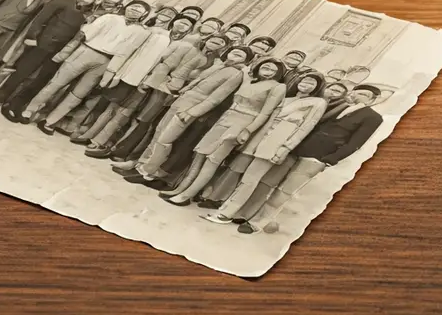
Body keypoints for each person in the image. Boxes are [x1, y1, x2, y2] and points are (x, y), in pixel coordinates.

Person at [238, 84, 385, 235]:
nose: (355, 95)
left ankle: (256, 223)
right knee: (268, 182)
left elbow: (355, 144)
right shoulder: (337, 106)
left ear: (371, 100)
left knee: (284, 191)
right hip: (297, 149)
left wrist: (329, 160)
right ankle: (247, 214)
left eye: (362, 94)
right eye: (355, 91)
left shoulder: (373, 117)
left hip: (317, 158)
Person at [114, 45, 254, 186]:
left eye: (240, 55)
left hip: (192, 106)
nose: (234, 56)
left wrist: (193, 112)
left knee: (166, 139)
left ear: (246, 61)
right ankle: (141, 163)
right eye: (233, 52)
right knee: (159, 131)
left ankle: (148, 170)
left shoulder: (236, 74)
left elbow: (216, 98)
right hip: (183, 99)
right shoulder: (219, 66)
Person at [202, 72, 327, 225]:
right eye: (305, 80)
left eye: (312, 83)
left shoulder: (317, 103)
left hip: (277, 142)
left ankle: (226, 213)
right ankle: (225, 208)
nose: (306, 84)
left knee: (251, 179)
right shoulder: (286, 98)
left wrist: (286, 148)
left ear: (317, 87)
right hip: (259, 139)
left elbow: (305, 127)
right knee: (244, 177)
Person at [158, 57, 287, 205]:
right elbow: (245, 76)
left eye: (273, 69)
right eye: (266, 66)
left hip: (243, 123)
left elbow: (265, 113)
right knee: (200, 153)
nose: (268, 70)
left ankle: (186, 195)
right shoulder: (250, 80)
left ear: (278, 73)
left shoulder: (278, 87)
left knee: (213, 159)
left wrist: (248, 130)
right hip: (226, 118)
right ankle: (180, 189)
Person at [19, 0, 151, 134]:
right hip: (86, 51)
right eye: (133, 6)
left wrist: (112, 73)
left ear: (145, 14)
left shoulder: (143, 32)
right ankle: (29, 111)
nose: (135, 10)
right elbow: (84, 34)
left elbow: (126, 52)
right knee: (56, 84)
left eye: (139, 9)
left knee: (78, 94)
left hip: (106, 62)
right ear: (126, 7)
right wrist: (66, 52)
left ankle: (50, 121)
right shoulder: (109, 17)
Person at [103, 32, 229, 162]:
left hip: (175, 93)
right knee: (137, 115)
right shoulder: (190, 49)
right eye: (214, 39)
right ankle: (114, 144)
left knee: (147, 121)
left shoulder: (215, 63)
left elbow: (199, 79)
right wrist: (152, 80)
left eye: (221, 42)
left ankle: (124, 151)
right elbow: (167, 64)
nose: (216, 43)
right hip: (160, 84)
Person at [72, 9, 188, 149]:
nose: (181, 26)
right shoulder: (154, 33)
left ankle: (100, 141)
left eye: (187, 24)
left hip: (152, 84)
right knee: (111, 106)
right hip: (132, 76)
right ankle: (89, 133)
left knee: (124, 113)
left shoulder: (185, 45)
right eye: (180, 21)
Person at [0, 0, 99, 118]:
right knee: (22, 73)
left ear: (95, 1)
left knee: (40, 80)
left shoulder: (89, 14)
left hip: (59, 51)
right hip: (41, 43)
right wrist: (31, 36)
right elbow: (41, 18)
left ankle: (13, 105)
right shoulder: (64, 0)